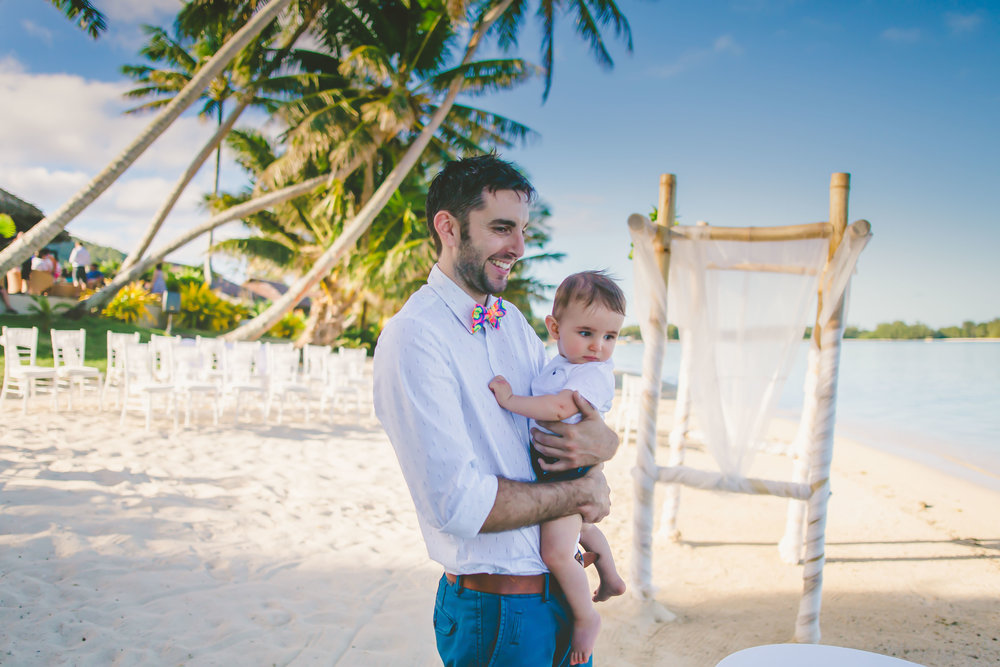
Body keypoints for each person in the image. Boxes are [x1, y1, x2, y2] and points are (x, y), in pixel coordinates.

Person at [374, 154, 619, 666]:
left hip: (557, 593)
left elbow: (561, 419)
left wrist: (606, 444)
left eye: (523, 230)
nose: (520, 248)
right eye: (502, 228)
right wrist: (580, 492)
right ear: (448, 228)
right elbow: (458, 505)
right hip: (498, 612)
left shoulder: (511, 322)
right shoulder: (414, 336)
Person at [488, 270, 628, 665]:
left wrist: (510, 402)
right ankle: (611, 576)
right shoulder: (559, 363)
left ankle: (586, 617)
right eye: (587, 333)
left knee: (556, 552)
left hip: (567, 472)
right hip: (554, 468)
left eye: (610, 337)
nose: (598, 346)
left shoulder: (592, 372)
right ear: (554, 328)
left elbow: (562, 407)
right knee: (578, 529)